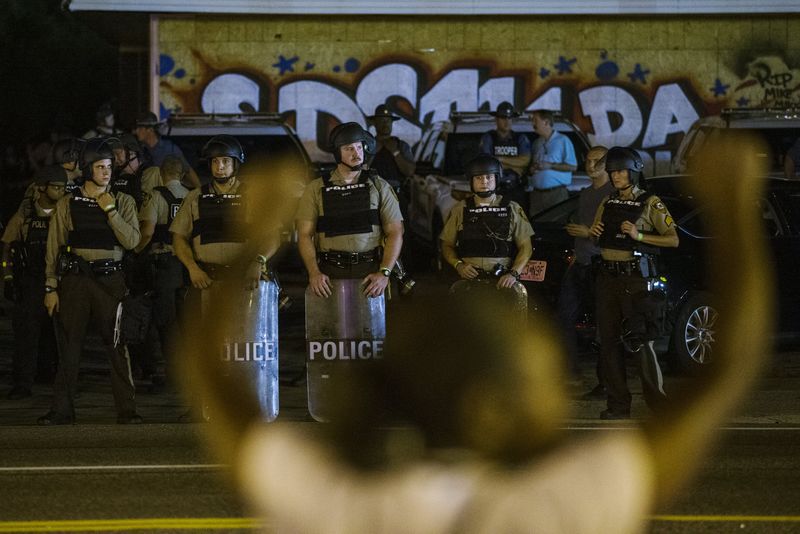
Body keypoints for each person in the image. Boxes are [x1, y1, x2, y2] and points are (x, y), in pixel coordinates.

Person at [179, 131, 773, 533]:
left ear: (389, 385)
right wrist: (735, 212)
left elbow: (215, 389)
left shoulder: (343, 505)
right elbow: (721, 382)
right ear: (518, 394)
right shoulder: (560, 504)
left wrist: (253, 240)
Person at [170, 135, 279, 420]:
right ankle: (201, 404)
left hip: (243, 283)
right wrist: (192, 268)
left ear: (236, 165)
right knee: (205, 346)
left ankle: (247, 402)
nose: (220, 167)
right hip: (206, 280)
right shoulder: (196, 197)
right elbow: (178, 238)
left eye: (226, 161)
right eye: (216, 162)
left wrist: (259, 260)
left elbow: (271, 236)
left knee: (246, 345)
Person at [39, 138, 142, 425]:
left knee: (117, 347)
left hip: (111, 280)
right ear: (87, 169)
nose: (106, 172)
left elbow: (133, 241)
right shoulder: (68, 204)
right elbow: (54, 246)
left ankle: (127, 410)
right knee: (69, 347)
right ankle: (61, 410)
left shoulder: (123, 201)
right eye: (99, 167)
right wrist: (51, 287)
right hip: (75, 281)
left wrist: (110, 211)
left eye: (109, 166)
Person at [588, 147, 679, 419]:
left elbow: (673, 239)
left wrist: (639, 236)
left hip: (634, 278)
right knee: (608, 342)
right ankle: (618, 405)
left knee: (642, 341)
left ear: (634, 172)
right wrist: (594, 234)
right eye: (613, 171)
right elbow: (597, 236)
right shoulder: (607, 202)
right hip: (607, 277)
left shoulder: (652, 203)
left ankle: (658, 404)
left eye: (621, 171)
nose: (616, 176)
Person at [296, 122, 403, 299]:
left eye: (359, 147)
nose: (357, 154)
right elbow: (304, 235)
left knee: (371, 326)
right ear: (338, 153)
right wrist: (314, 273)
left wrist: (384, 273)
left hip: (370, 273)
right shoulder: (316, 188)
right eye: (349, 149)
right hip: (330, 273)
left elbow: (396, 232)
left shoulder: (379, 186)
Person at [1, 165, 68, 399]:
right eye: (56, 187)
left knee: (57, 332)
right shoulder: (25, 214)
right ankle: (23, 382)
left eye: (63, 187)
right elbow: (8, 246)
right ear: (41, 188)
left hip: (59, 280)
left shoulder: (66, 212)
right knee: (26, 332)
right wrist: (8, 277)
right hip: (29, 279)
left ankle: (51, 374)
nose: (61, 191)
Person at [556, 146, 614, 392]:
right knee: (563, 317)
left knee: (605, 325)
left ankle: (606, 381)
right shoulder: (586, 193)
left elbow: (615, 233)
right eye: (588, 161)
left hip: (600, 264)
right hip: (580, 262)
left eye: (597, 162)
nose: (591, 166)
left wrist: (587, 232)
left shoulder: (612, 193)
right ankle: (572, 372)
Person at [440, 154, 533, 292]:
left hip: (502, 281)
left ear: (496, 179)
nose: (484, 182)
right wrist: (458, 265)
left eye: (489, 177)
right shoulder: (461, 208)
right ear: (471, 181)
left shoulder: (512, 208)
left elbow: (526, 247)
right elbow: (447, 244)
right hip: (470, 282)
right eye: (479, 178)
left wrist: (513, 273)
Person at [135, 155, 190, 375]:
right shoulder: (192, 196)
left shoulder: (156, 196)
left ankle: (171, 371)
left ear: (161, 174)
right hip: (187, 266)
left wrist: (135, 252)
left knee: (165, 321)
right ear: (182, 174)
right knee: (185, 320)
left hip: (164, 263)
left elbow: (147, 232)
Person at [479, 101, 532, 210]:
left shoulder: (520, 138)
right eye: (503, 118)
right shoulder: (488, 138)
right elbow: (487, 163)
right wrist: (515, 166)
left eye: (509, 118)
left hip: (516, 189)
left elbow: (525, 161)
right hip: (494, 190)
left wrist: (499, 159)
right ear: (496, 119)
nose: (507, 121)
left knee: (518, 223)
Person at [528, 109, 577, 216]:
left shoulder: (563, 140)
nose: (533, 124)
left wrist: (550, 166)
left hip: (556, 194)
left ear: (546, 122)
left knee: (556, 225)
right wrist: (532, 169)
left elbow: (573, 166)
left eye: (535, 120)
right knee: (535, 227)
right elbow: (532, 165)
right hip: (536, 194)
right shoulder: (537, 143)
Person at [134, 111, 200, 188]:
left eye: (140, 128)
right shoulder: (140, 150)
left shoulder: (169, 149)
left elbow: (187, 170)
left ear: (150, 130)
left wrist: (199, 190)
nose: (136, 131)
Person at [366, 104, 415, 194]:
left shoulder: (401, 145)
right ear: (375, 123)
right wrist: (372, 152)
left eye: (388, 121)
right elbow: (358, 172)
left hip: (396, 194)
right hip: (372, 192)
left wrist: (395, 152)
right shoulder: (367, 145)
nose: (386, 124)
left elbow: (410, 172)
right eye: (382, 121)